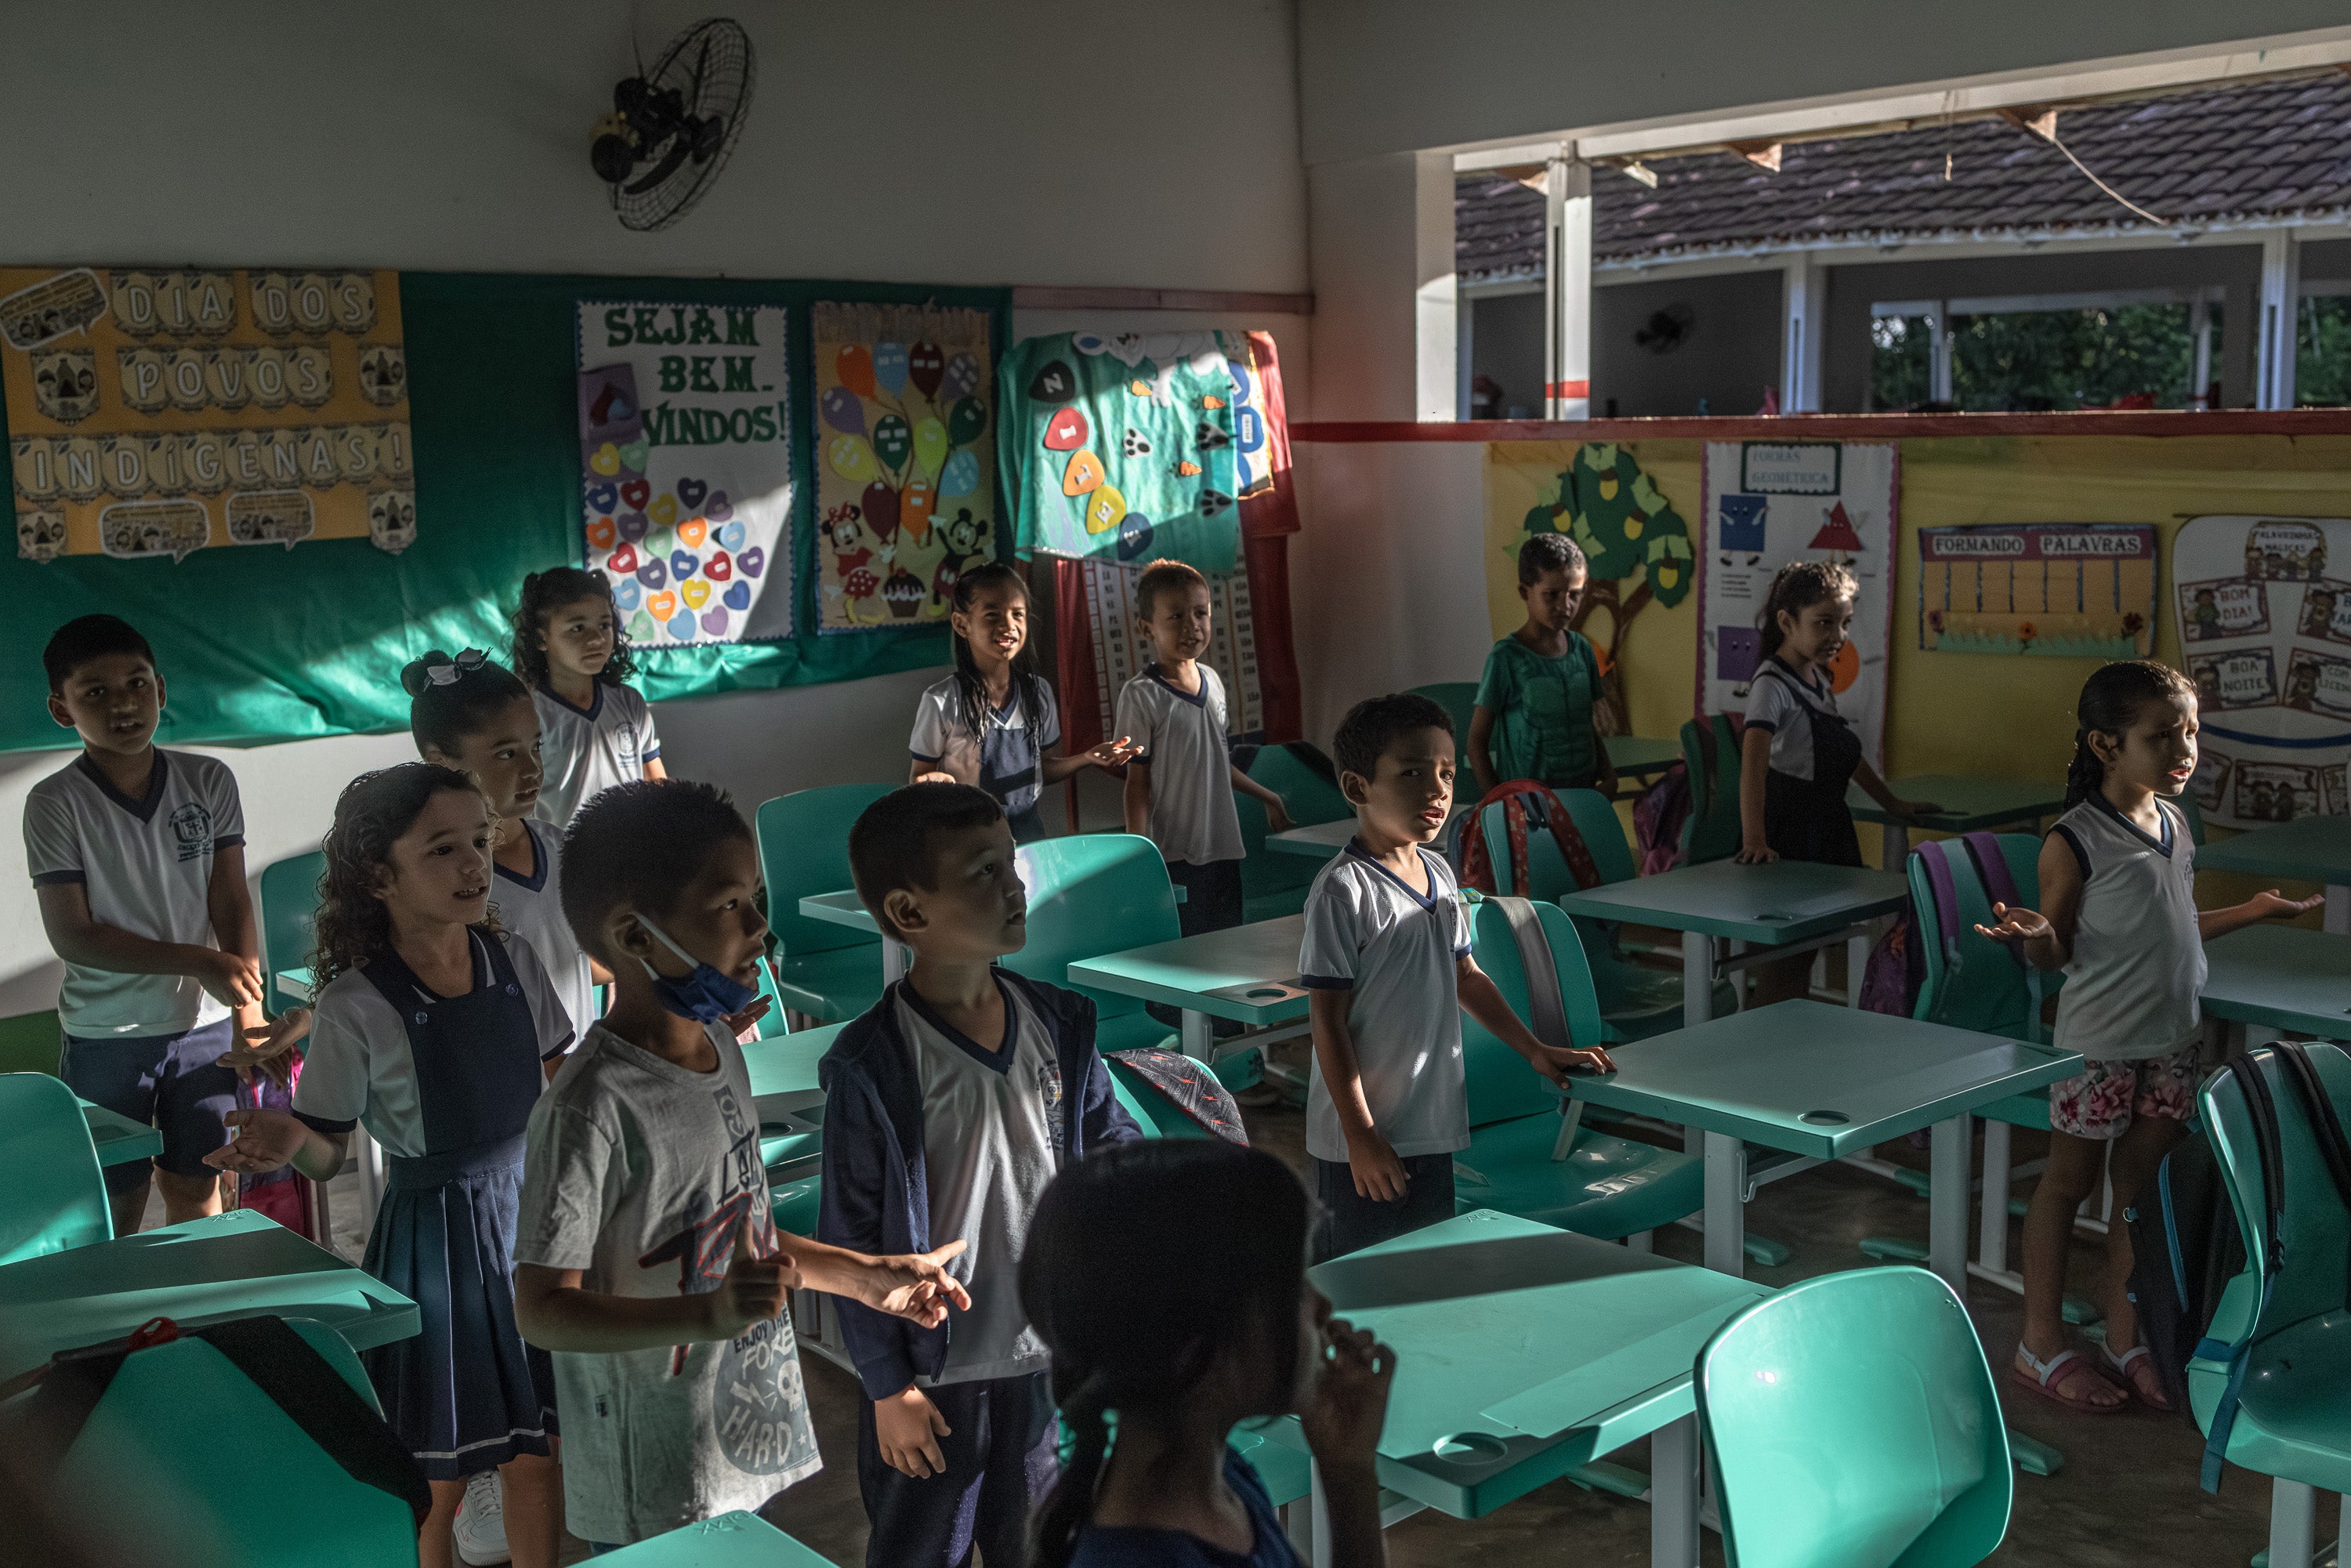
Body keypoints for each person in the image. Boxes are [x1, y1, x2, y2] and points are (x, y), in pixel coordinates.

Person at [509, 780, 970, 1552]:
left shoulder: (721, 1047)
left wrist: (867, 1276)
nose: (761, 927)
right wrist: (706, 1316)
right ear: (636, 934)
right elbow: (543, 1311)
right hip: (650, 1479)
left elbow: (733, 1230)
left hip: (734, 1437)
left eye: (756, 899)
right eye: (730, 906)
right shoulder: (589, 1107)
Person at [205, 764, 576, 1568]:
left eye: (478, 842)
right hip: (436, 1245)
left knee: (536, 1457)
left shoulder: (513, 965)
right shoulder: (355, 1004)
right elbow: (330, 1149)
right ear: (379, 876)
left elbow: (564, 1088)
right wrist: (284, 1137)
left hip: (529, 1225)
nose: (474, 864)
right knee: (434, 1477)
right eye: (442, 849)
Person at [1977, 661, 2321, 1415]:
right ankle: (2040, 1341)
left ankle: (2126, 1333)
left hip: (2172, 1038)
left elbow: (2170, 928)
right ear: (2105, 744)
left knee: (2137, 1193)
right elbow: (2058, 947)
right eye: (2162, 735)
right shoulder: (2076, 841)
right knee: (2069, 1183)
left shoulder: (2173, 822)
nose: (2184, 748)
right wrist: (2032, 936)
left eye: (2191, 731)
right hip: (2099, 1043)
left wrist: (2255, 910)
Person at [819, 782, 1144, 1568]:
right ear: (908, 914)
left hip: (1040, 1356)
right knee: (920, 1551)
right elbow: (850, 1243)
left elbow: (1115, 1150)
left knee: (1033, 1545)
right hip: (933, 1380)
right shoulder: (874, 1067)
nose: (1015, 887)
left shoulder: (1058, 1023)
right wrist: (887, 1389)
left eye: (1012, 865)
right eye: (984, 872)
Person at [1299, 693, 1614, 1262]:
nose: (1439, 789)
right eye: (1413, 772)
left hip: (1431, 1125)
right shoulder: (1343, 891)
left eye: (1446, 772)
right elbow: (1327, 1022)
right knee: (1356, 1282)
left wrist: (1536, 1049)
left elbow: (1467, 976)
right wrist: (1361, 1135)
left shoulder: (1440, 871)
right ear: (1356, 787)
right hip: (1361, 1140)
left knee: (1425, 1272)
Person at [1022, 1141, 1396, 1568]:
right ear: (1195, 1350)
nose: (1322, 1307)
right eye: (1293, 1286)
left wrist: (1347, 1468)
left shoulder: (1223, 1481)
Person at [27, 614, 265, 1240]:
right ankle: (122, 1333)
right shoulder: (55, 803)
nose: (123, 704)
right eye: (95, 693)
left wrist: (249, 1013)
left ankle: (194, 1310)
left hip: (204, 1028)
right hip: (107, 1034)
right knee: (116, 1198)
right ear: (61, 708)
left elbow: (232, 900)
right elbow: (73, 935)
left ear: (160, 689)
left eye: (135, 684)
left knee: (198, 1181)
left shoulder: (209, 779)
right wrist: (199, 960)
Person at [1733, 561, 1934, 1005]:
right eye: (1823, 623)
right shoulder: (1771, 684)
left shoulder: (1818, 680)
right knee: (1783, 954)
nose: (1837, 635)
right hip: (1789, 833)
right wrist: (1755, 839)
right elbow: (1752, 767)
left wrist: (1893, 805)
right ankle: (1768, 1044)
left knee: (1815, 946)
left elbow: (1848, 756)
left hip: (1827, 826)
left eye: (1843, 623)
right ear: (1787, 622)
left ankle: (1801, 1038)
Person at [403, 647, 600, 1042]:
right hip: (503, 1092)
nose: (532, 769)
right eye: (507, 753)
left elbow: (580, 961)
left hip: (575, 1086)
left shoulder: (563, 848)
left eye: (536, 747)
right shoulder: (435, 878)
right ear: (441, 763)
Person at [1115, 558, 1291, 937]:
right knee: (1179, 956)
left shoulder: (1213, 681)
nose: (1192, 626)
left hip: (1224, 850)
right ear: (1147, 628)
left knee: (1225, 951)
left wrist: (1269, 797)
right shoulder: (1141, 695)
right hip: (1174, 854)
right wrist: (1138, 854)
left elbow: (1217, 765)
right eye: (1176, 617)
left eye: (1200, 613)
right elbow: (1138, 782)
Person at [908, 562, 1135, 842]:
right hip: (967, 839)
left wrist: (1085, 758)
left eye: (1018, 614)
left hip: (1030, 835)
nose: (1008, 625)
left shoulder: (1037, 692)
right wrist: (933, 784)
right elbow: (920, 778)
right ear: (961, 624)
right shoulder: (942, 701)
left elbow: (1042, 769)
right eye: (992, 616)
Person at [511, 567, 665, 829]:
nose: (596, 639)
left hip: (631, 855)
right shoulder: (525, 713)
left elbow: (656, 780)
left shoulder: (630, 703)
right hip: (560, 863)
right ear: (541, 638)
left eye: (604, 625)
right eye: (578, 627)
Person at [1468, 534, 1617, 799]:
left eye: (1575, 595)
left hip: (1582, 801)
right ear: (1525, 592)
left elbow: (1586, 724)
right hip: (1527, 808)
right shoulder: (1507, 658)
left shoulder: (1583, 650)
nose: (1565, 605)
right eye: (1552, 595)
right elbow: (1477, 742)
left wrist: (1609, 777)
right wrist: (1498, 802)